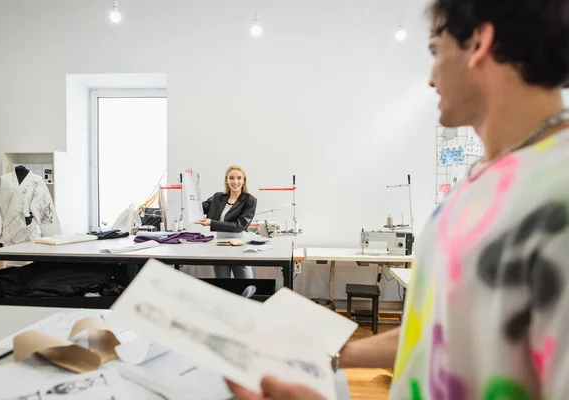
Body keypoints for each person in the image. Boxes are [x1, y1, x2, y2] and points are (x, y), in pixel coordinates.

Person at [228, 0, 569, 398]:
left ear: (479, 42)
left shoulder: (556, 197)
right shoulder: (481, 180)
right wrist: (331, 355)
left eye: (434, 51)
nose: (429, 77)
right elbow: (436, 333)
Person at [188, 165, 257, 279]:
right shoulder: (218, 197)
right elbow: (197, 209)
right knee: (222, 285)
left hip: (240, 245)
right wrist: (193, 186)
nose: (235, 182)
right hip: (220, 245)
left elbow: (238, 226)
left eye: (239, 178)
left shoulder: (250, 200)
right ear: (226, 180)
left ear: (244, 181)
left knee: (245, 284)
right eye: (231, 178)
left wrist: (212, 223)